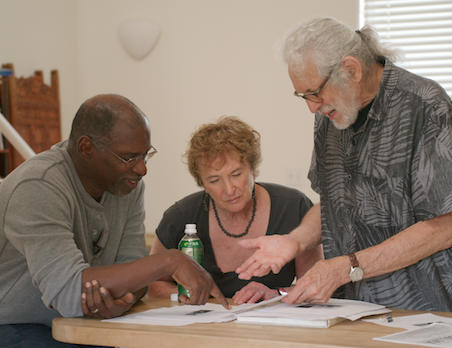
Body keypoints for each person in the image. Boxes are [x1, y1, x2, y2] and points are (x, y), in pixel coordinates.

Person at [236, 17, 452, 312]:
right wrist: (295, 241)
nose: (312, 106)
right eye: (303, 96)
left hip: (421, 309)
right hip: (349, 309)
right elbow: (334, 202)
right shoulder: (331, 113)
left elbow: (445, 225)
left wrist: (346, 267)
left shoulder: (425, 106)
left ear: (352, 69)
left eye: (315, 92)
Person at [0, 94, 228, 348]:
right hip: (13, 325)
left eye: (145, 155)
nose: (142, 169)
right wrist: (168, 261)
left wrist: (119, 298)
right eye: (128, 158)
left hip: (79, 323)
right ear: (86, 148)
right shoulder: (38, 186)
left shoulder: (126, 187)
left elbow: (133, 272)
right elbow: (69, 293)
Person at [147, 116, 323, 304]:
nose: (229, 190)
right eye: (215, 180)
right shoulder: (180, 216)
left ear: (253, 170)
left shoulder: (293, 206)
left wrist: (276, 294)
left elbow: (313, 285)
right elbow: (153, 285)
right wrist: (195, 295)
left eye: (236, 174)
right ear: (203, 185)